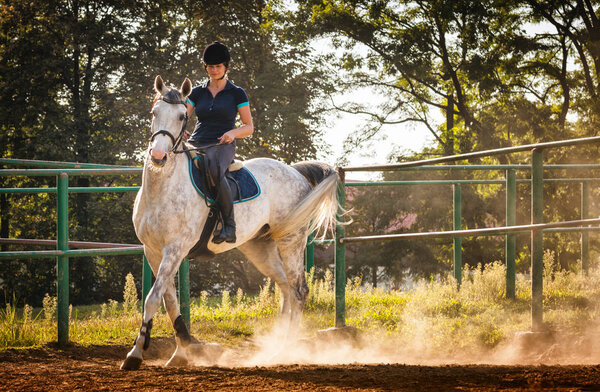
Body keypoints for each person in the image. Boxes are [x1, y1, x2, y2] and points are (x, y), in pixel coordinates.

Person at [185, 41, 254, 244]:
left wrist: (233, 133)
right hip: (197, 141)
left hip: (222, 143)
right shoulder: (197, 93)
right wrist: (180, 131)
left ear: (226, 67)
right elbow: (183, 116)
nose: (214, 70)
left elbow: (249, 126)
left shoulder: (237, 93)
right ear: (205, 67)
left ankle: (229, 226)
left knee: (214, 169)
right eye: (210, 67)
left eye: (218, 66)